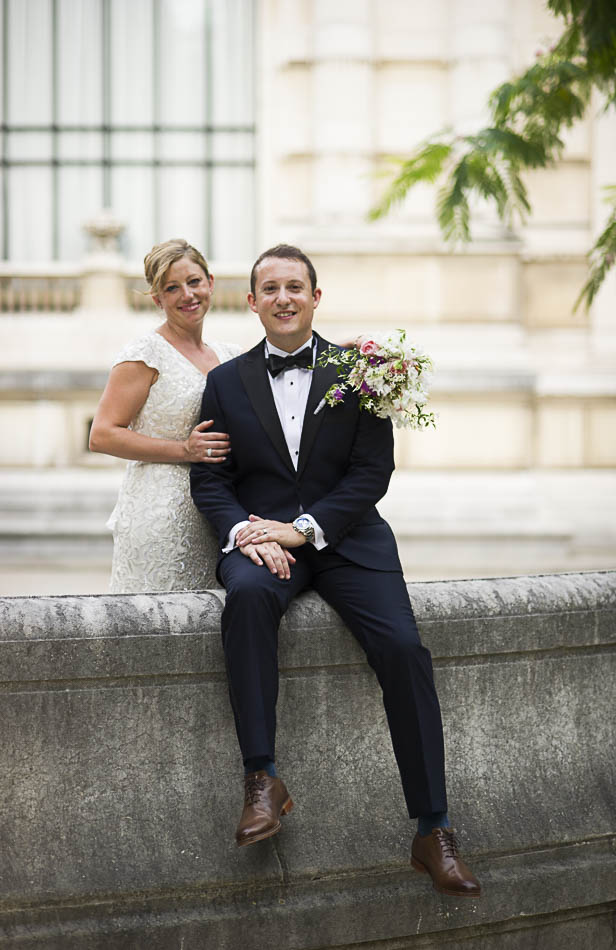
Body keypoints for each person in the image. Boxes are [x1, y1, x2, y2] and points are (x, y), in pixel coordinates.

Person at [189, 244, 481, 898]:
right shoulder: (225, 382)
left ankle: (433, 829)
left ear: (316, 298)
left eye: (296, 286)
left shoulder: (363, 371)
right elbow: (210, 481)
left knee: (405, 649)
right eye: (271, 288)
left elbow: (372, 473)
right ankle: (262, 781)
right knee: (245, 603)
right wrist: (243, 534)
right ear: (253, 301)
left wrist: (308, 528)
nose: (284, 297)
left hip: (349, 541)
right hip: (266, 543)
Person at [89, 238, 242, 593]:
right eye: (172, 288)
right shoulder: (145, 353)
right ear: (158, 299)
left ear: (210, 283)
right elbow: (102, 434)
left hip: (215, 514)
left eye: (194, 282)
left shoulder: (229, 354)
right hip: (159, 517)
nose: (187, 294)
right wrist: (183, 451)